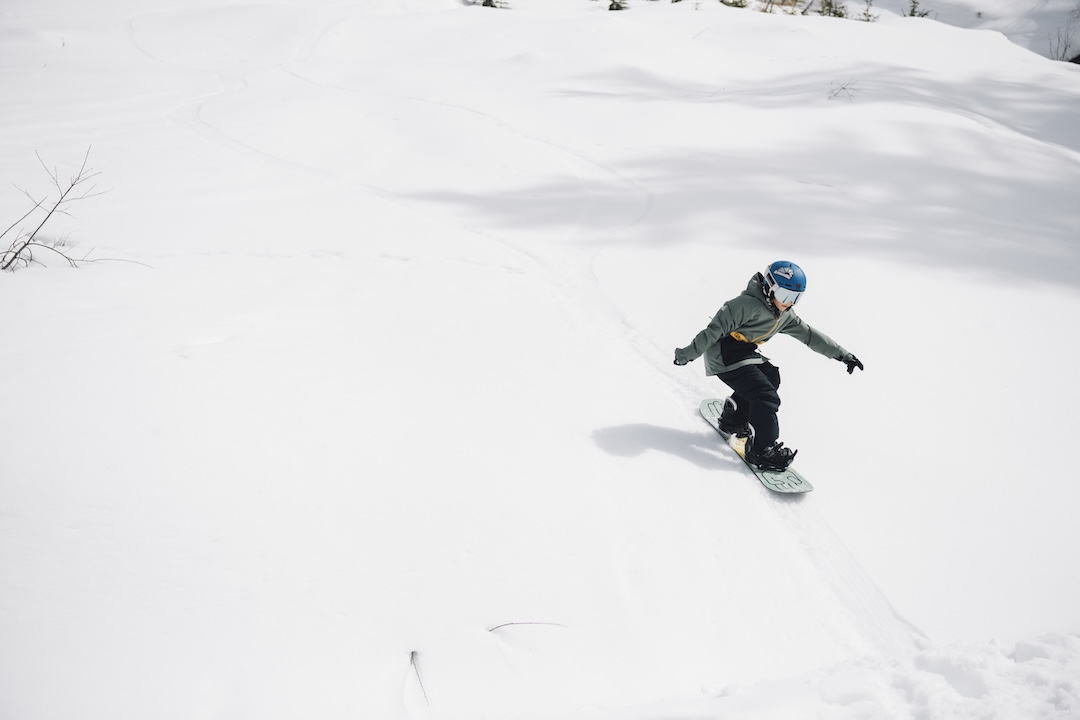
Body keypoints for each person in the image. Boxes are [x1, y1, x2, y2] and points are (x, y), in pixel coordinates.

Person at [673, 261, 863, 471]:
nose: (788, 303)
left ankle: (734, 417)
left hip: (743, 352)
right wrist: (687, 354)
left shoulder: (784, 315)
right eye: (785, 296)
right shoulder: (743, 305)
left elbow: (809, 334)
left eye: (795, 298)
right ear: (769, 286)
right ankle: (761, 450)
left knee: (771, 377)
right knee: (765, 395)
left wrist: (842, 354)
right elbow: (713, 332)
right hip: (723, 354)